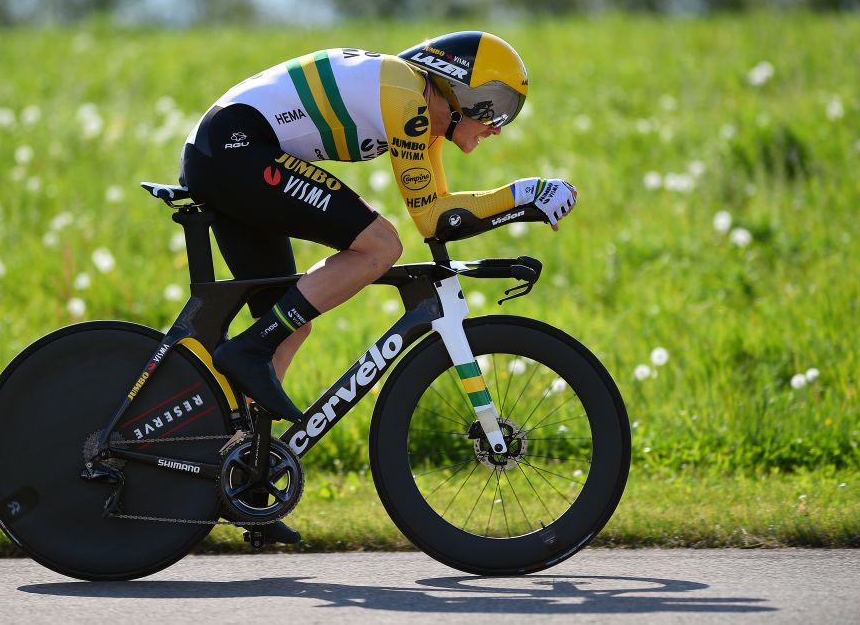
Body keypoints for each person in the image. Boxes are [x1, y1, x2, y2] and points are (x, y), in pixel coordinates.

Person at [180, 31, 576, 543]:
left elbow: (435, 220)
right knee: (379, 245)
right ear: (458, 88)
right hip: (235, 149)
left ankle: (244, 485)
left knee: (286, 325)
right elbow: (424, 223)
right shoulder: (407, 98)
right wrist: (523, 194)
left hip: (229, 151)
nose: (498, 126)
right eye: (495, 107)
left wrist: (519, 203)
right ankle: (248, 353)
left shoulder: (420, 118)